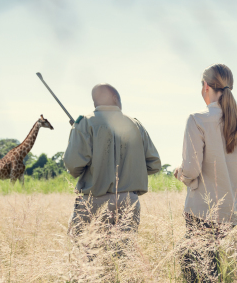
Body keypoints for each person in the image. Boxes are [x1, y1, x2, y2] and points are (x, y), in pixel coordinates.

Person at [176, 64, 237, 283]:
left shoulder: (197, 120)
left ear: (205, 86)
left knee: (199, 277)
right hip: (230, 215)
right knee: (214, 268)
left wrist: (179, 173)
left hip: (201, 211)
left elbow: (191, 170)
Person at [64, 83, 163, 240]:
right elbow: (154, 164)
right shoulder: (136, 124)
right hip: (129, 202)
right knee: (122, 258)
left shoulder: (84, 123)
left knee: (84, 257)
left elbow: (73, 166)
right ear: (115, 98)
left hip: (93, 201)